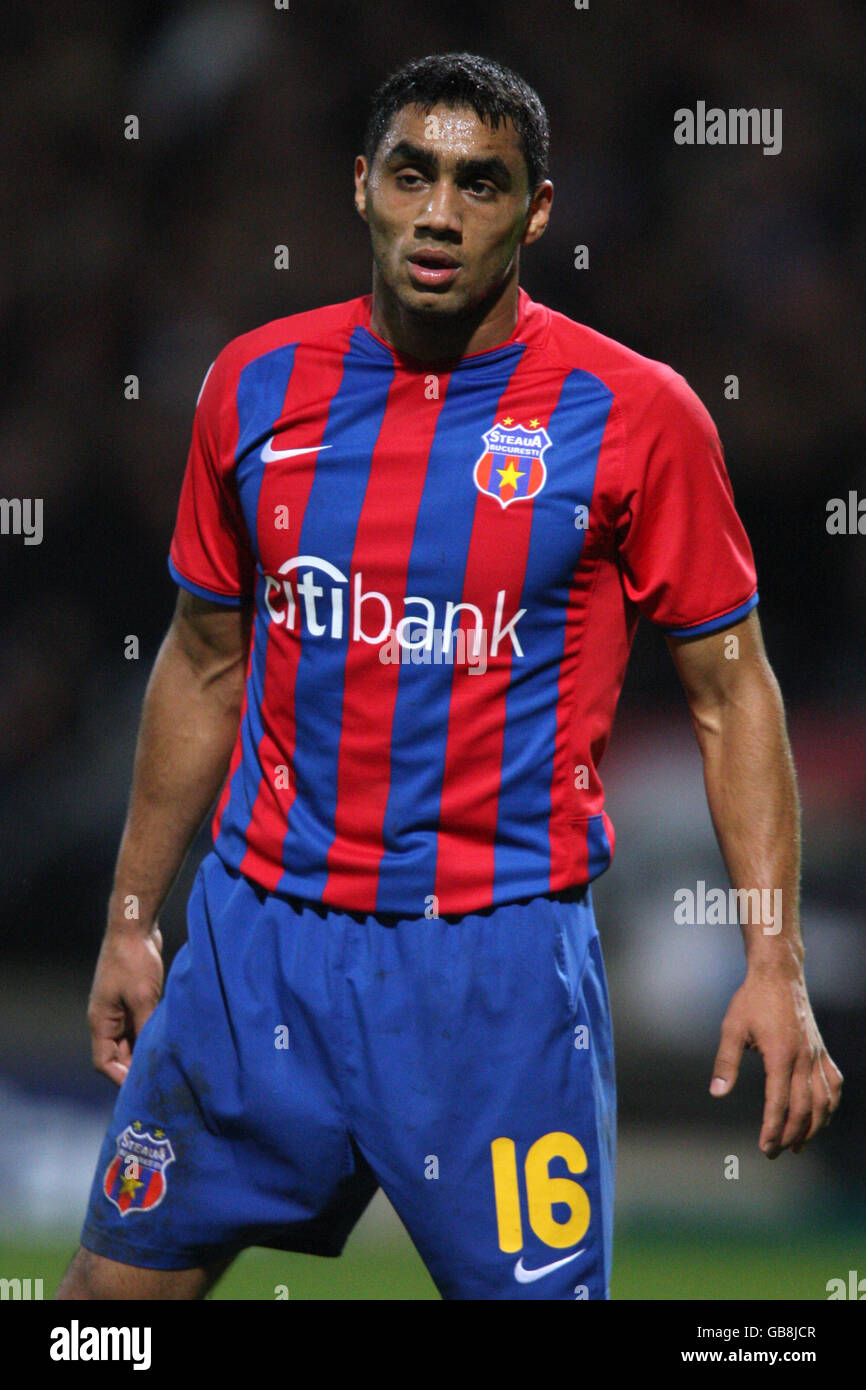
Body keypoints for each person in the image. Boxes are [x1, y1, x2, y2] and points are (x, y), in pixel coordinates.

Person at [57, 52, 841, 1302]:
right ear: (359, 184)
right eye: (412, 175)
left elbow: (730, 690)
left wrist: (771, 961)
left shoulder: (636, 413)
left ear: (534, 211)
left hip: (496, 974)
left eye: (481, 184)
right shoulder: (251, 385)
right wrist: (133, 914)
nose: (439, 213)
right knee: (101, 1320)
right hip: (257, 944)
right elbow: (204, 663)